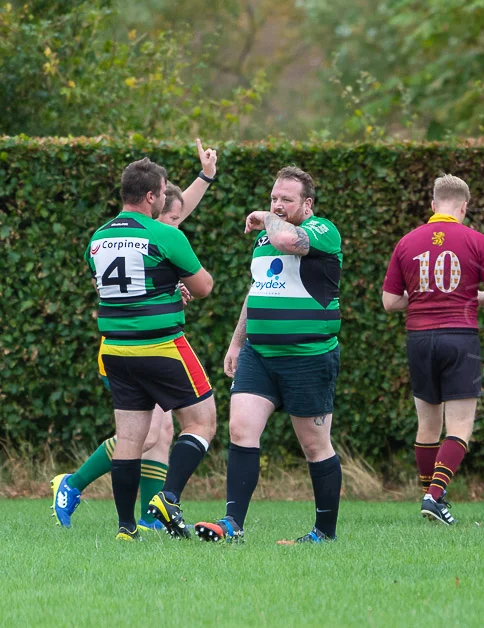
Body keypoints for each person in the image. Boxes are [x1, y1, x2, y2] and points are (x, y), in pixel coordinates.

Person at [54, 141, 221, 531]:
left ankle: (128, 528)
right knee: (202, 423)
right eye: (164, 192)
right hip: (161, 346)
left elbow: (110, 285)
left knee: (133, 439)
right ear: (151, 196)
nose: (167, 199)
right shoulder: (165, 236)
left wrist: (206, 176)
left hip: (116, 349)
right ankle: (168, 499)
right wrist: (177, 284)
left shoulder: (98, 238)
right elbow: (203, 288)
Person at [195, 166, 344, 544]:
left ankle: (324, 534)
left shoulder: (323, 230)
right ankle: (232, 525)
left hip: (308, 356)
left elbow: (288, 242)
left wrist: (265, 219)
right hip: (259, 354)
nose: (277, 205)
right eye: (273, 198)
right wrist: (236, 341)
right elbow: (260, 289)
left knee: (314, 445)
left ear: (307, 204)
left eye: (286, 200)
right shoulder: (265, 239)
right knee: (240, 430)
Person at [381, 174, 484, 524]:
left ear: (433, 205)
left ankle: (430, 497)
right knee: (461, 426)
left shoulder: (407, 242)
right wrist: (474, 296)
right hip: (460, 337)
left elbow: (390, 301)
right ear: (464, 207)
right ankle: (434, 496)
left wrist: (421, 298)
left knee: (427, 425)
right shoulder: (476, 240)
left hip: (419, 339)